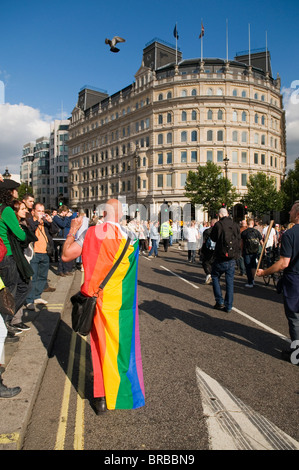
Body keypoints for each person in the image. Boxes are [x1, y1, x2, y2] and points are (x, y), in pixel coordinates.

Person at [62, 199, 145, 414]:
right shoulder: (129, 237)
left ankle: (100, 398)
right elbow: (129, 276)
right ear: (121, 213)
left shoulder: (89, 233)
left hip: (94, 299)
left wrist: (72, 230)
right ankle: (116, 390)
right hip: (118, 304)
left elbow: (66, 255)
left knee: (98, 348)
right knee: (118, 348)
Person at [257, 202, 299, 364]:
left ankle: (296, 353)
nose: (288, 212)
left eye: (291, 210)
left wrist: (264, 272)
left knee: (295, 319)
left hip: (295, 279)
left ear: (297, 214)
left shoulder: (290, 234)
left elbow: (284, 263)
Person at [25, 203, 59, 310]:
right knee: (33, 277)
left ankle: (37, 296)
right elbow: (30, 232)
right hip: (35, 253)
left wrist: (50, 222)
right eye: (39, 211)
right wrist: (37, 222)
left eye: (43, 211)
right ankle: (30, 300)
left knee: (43, 276)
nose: (41, 213)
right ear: (33, 212)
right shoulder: (30, 222)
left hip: (45, 252)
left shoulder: (45, 222)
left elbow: (54, 231)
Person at [210, 207, 241, 313]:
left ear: (220, 215)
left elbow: (213, 238)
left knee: (214, 276)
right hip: (232, 258)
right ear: (227, 214)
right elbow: (238, 238)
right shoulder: (235, 224)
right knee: (229, 282)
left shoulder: (218, 225)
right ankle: (228, 306)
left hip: (220, 256)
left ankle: (219, 301)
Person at [53, 205, 77, 276]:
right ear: (63, 211)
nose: (66, 214)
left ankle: (66, 269)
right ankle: (60, 270)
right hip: (60, 237)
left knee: (66, 254)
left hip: (65, 237)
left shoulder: (64, 217)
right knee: (62, 254)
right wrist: (66, 217)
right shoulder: (56, 217)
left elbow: (69, 225)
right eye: (66, 212)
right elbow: (63, 225)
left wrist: (70, 217)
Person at [241, 218, 263, 288]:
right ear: (253, 224)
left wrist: (241, 250)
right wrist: (263, 249)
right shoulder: (256, 232)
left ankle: (249, 281)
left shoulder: (244, 232)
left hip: (247, 251)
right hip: (255, 251)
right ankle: (253, 280)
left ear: (247, 224)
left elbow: (241, 243)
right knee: (253, 266)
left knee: (248, 266)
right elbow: (261, 241)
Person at [201, 218, 217, 284]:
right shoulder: (219, 231)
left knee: (205, 262)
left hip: (207, 250)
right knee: (215, 263)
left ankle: (208, 274)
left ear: (211, 223)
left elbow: (203, 241)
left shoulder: (207, 231)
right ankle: (214, 276)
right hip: (216, 250)